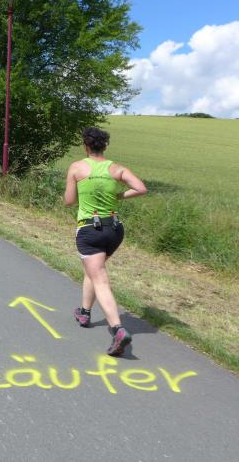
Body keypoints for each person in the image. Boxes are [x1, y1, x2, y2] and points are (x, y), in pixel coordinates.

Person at [64, 127, 147, 356]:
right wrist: (119, 195)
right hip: (114, 230)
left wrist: (83, 191)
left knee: (99, 278)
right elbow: (141, 188)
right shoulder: (117, 169)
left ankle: (118, 330)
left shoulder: (77, 168)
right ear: (105, 146)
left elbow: (69, 201)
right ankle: (84, 312)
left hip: (90, 230)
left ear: (85, 146)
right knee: (93, 270)